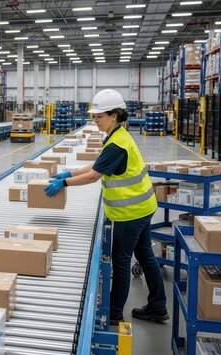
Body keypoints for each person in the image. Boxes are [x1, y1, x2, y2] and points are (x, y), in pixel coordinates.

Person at [44, 89, 167, 326]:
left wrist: (64, 183)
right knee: (145, 256)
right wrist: (69, 172)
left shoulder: (116, 143)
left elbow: (94, 176)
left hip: (129, 214)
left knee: (121, 262)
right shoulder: (118, 135)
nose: (95, 120)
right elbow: (98, 165)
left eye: (99, 116)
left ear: (114, 115)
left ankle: (114, 313)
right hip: (144, 206)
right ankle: (158, 306)